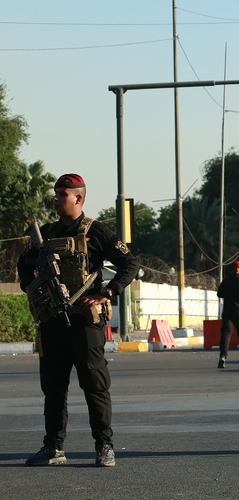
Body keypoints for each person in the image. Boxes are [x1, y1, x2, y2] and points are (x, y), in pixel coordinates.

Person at [17, 173, 140, 467]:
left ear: (79, 198)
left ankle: (104, 447)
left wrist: (107, 292)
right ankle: (53, 448)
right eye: (56, 193)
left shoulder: (96, 232)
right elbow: (24, 263)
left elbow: (130, 262)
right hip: (52, 321)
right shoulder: (44, 233)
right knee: (53, 388)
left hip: (85, 323)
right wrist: (30, 289)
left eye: (62, 194)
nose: (56, 198)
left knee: (94, 385)